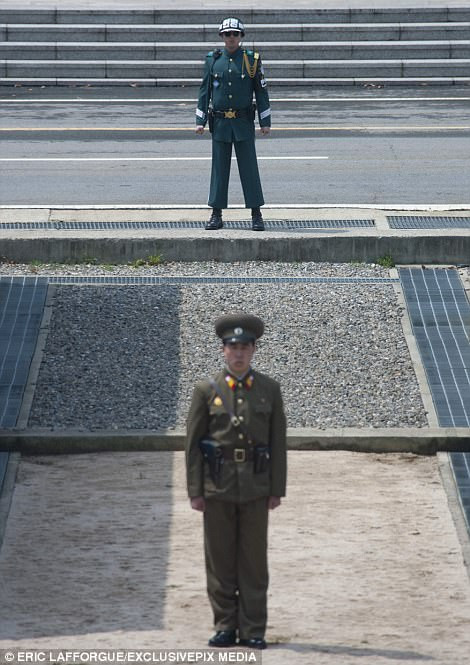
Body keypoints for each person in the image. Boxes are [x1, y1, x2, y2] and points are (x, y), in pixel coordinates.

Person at [185, 313, 287, 650]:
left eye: (245, 347)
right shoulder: (205, 391)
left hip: (256, 487)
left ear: (254, 349)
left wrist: (276, 489)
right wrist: (195, 490)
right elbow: (193, 446)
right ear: (223, 350)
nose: (239, 353)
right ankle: (225, 626)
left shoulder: (269, 389)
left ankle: (254, 629)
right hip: (218, 486)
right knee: (220, 561)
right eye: (233, 347)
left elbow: (277, 443)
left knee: (254, 562)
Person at [195, 17, 272, 232]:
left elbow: (261, 91)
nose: (231, 38)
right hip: (220, 123)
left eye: (235, 34)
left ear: (241, 36)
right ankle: (216, 214)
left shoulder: (251, 60)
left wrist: (265, 121)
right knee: (219, 170)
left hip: (243, 122)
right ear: (221, 36)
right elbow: (204, 91)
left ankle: (256, 214)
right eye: (227, 34)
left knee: (249, 169)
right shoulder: (213, 60)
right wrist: (200, 120)